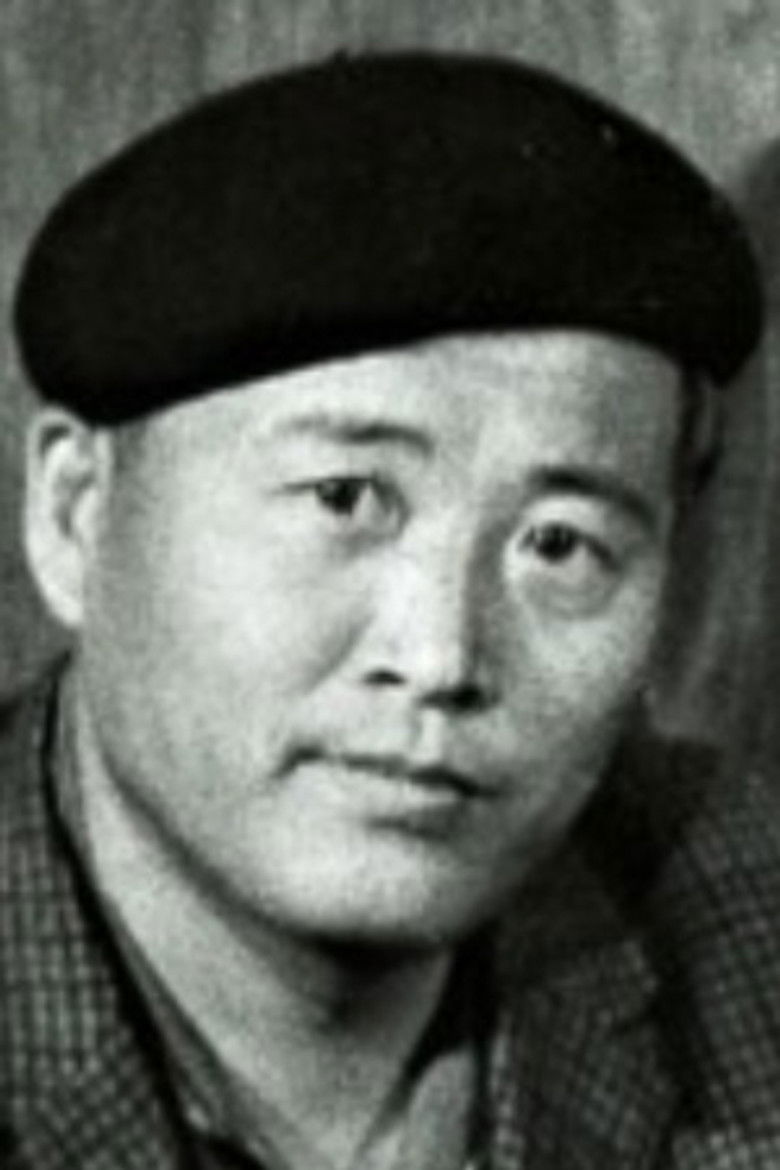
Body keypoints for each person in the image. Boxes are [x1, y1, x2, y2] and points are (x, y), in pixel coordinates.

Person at [2, 51, 779, 1170]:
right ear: (77, 515)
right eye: (345, 499)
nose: (441, 656)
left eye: (559, 545)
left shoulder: (739, 921)